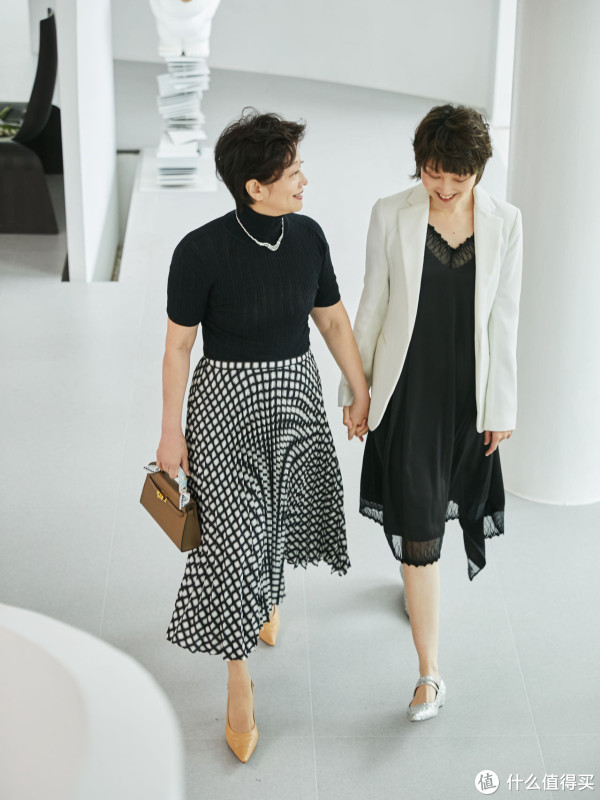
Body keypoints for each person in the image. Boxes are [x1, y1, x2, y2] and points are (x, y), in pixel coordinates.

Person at [157, 109, 369, 763]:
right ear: (255, 186)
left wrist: (359, 388)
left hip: (294, 400)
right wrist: (170, 432)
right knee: (230, 542)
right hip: (225, 410)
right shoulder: (199, 251)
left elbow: (331, 321)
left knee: (277, 513)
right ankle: (238, 679)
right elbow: (178, 348)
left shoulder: (308, 237)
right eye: (293, 171)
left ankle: (268, 593)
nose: (305, 180)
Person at [339, 104, 523, 722]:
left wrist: (501, 405)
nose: (443, 187)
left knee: (441, 513)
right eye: (432, 173)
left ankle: (416, 594)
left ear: (479, 172)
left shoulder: (507, 223)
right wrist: (357, 391)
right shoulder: (390, 213)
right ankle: (430, 674)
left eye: (457, 177)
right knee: (420, 532)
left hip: (467, 400)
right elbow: (373, 303)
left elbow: (504, 321)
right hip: (411, 395)